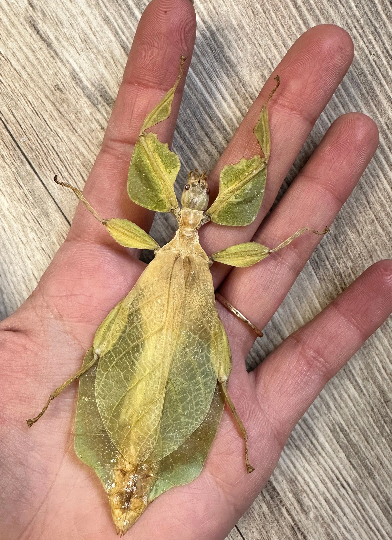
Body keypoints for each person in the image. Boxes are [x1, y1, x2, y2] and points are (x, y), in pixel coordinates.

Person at [1, 0, 391, 537]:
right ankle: (132, 464)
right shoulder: (203, 241)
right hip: (182, 296)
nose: (191, 197)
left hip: (169, 287)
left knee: (143, 362)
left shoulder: (163, 236)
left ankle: (132, 465)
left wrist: (294, 234)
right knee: (152, 362)